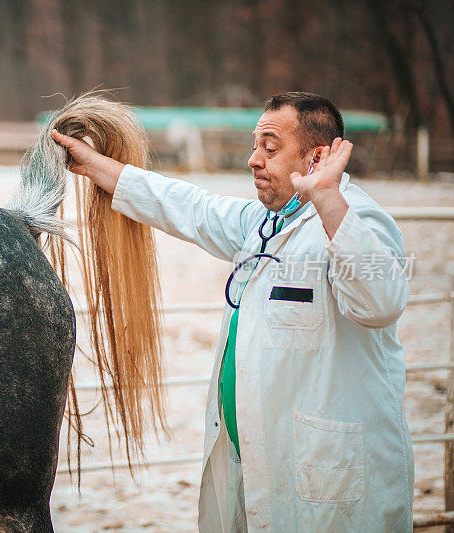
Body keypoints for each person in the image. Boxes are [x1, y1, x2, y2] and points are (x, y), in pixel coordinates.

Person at [52, 92, 413, 531]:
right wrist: (92, 164)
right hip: (255, 459)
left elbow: (380, 303)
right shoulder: (265, 224)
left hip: (325, 478)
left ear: (317, 157)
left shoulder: (361, 221)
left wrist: (328, 199)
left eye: (270, 147)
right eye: (255, 145)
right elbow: (190, 207)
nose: (253, 160)